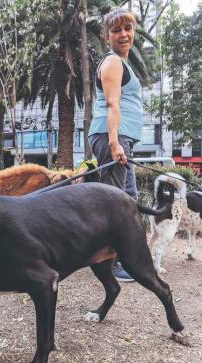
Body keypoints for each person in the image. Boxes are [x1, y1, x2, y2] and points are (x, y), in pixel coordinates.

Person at [88, 7, 143, 282]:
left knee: (128, 200)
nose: (123, 34)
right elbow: (112, 104)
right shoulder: (112, 63)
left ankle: (122, 258)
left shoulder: (123, 63)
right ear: (106, 35)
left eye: (128, 28)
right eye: (116, 30)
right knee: (115, 204)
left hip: (122, 139)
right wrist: (113, 142)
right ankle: (111, 263)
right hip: (112, 137)